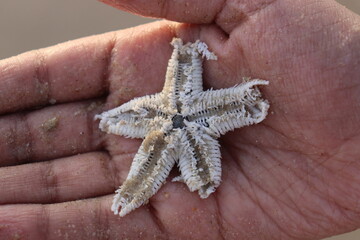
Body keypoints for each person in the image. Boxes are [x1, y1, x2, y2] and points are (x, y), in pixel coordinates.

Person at [0, 0, 359, 239]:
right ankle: (130, 193)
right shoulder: (180, 77)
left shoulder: (186, 75)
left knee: (184, 165)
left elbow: (193, 66)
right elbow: (183, 65)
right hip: (173, 118)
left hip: (182, 117)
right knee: (150, 165)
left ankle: (134, 190)